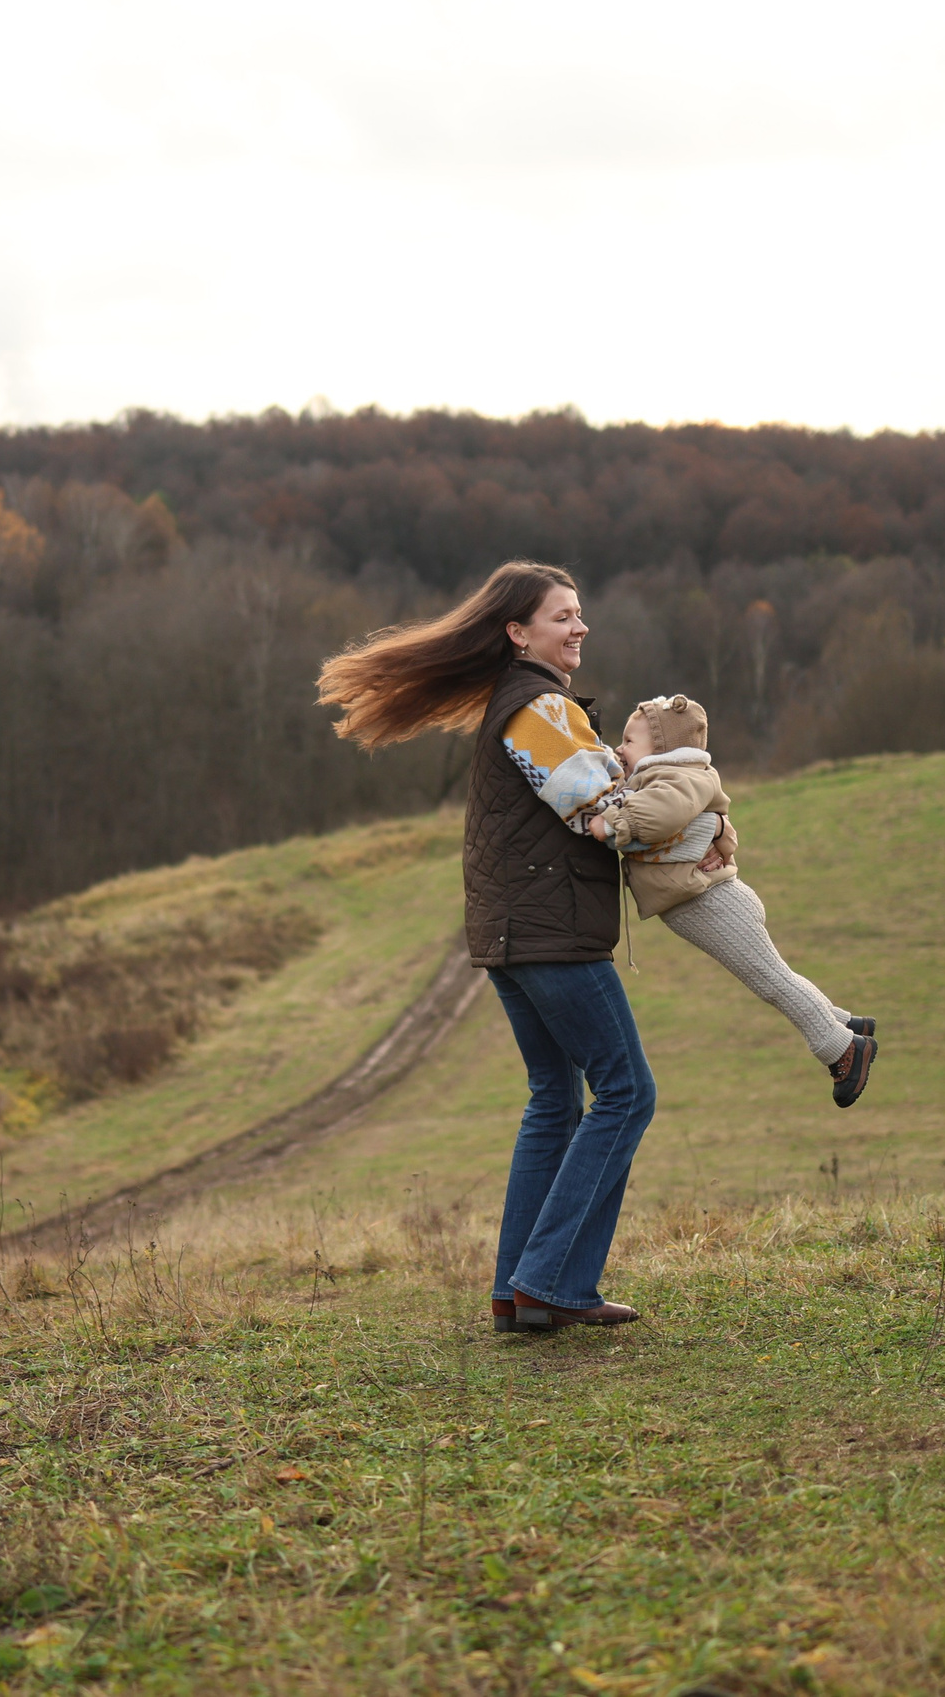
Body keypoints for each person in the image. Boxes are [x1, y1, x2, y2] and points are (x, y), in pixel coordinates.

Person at [317, 561, 732, 1333]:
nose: (579, 628)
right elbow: (603, 815)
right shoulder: (539, 706)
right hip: (552, 935)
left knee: (555, 1098)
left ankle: (519, 1292)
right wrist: (701, 819)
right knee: (627, 1091)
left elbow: (602, 793)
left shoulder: (530, 706)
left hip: (515, 933)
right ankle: (550, 1280)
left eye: (580, 614)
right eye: (562, 616)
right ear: (519, 631)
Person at [588, 695, 877, 1107]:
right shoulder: (666, 778)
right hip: (707, 899)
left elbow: (659, 815)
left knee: (770, 980)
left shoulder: (675, 780)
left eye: (629, 742)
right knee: (774, 973)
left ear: (662, 749)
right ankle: (845, 1022)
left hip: (711, 901)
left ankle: (841, 1049)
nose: (620, 749)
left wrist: (614, 822)